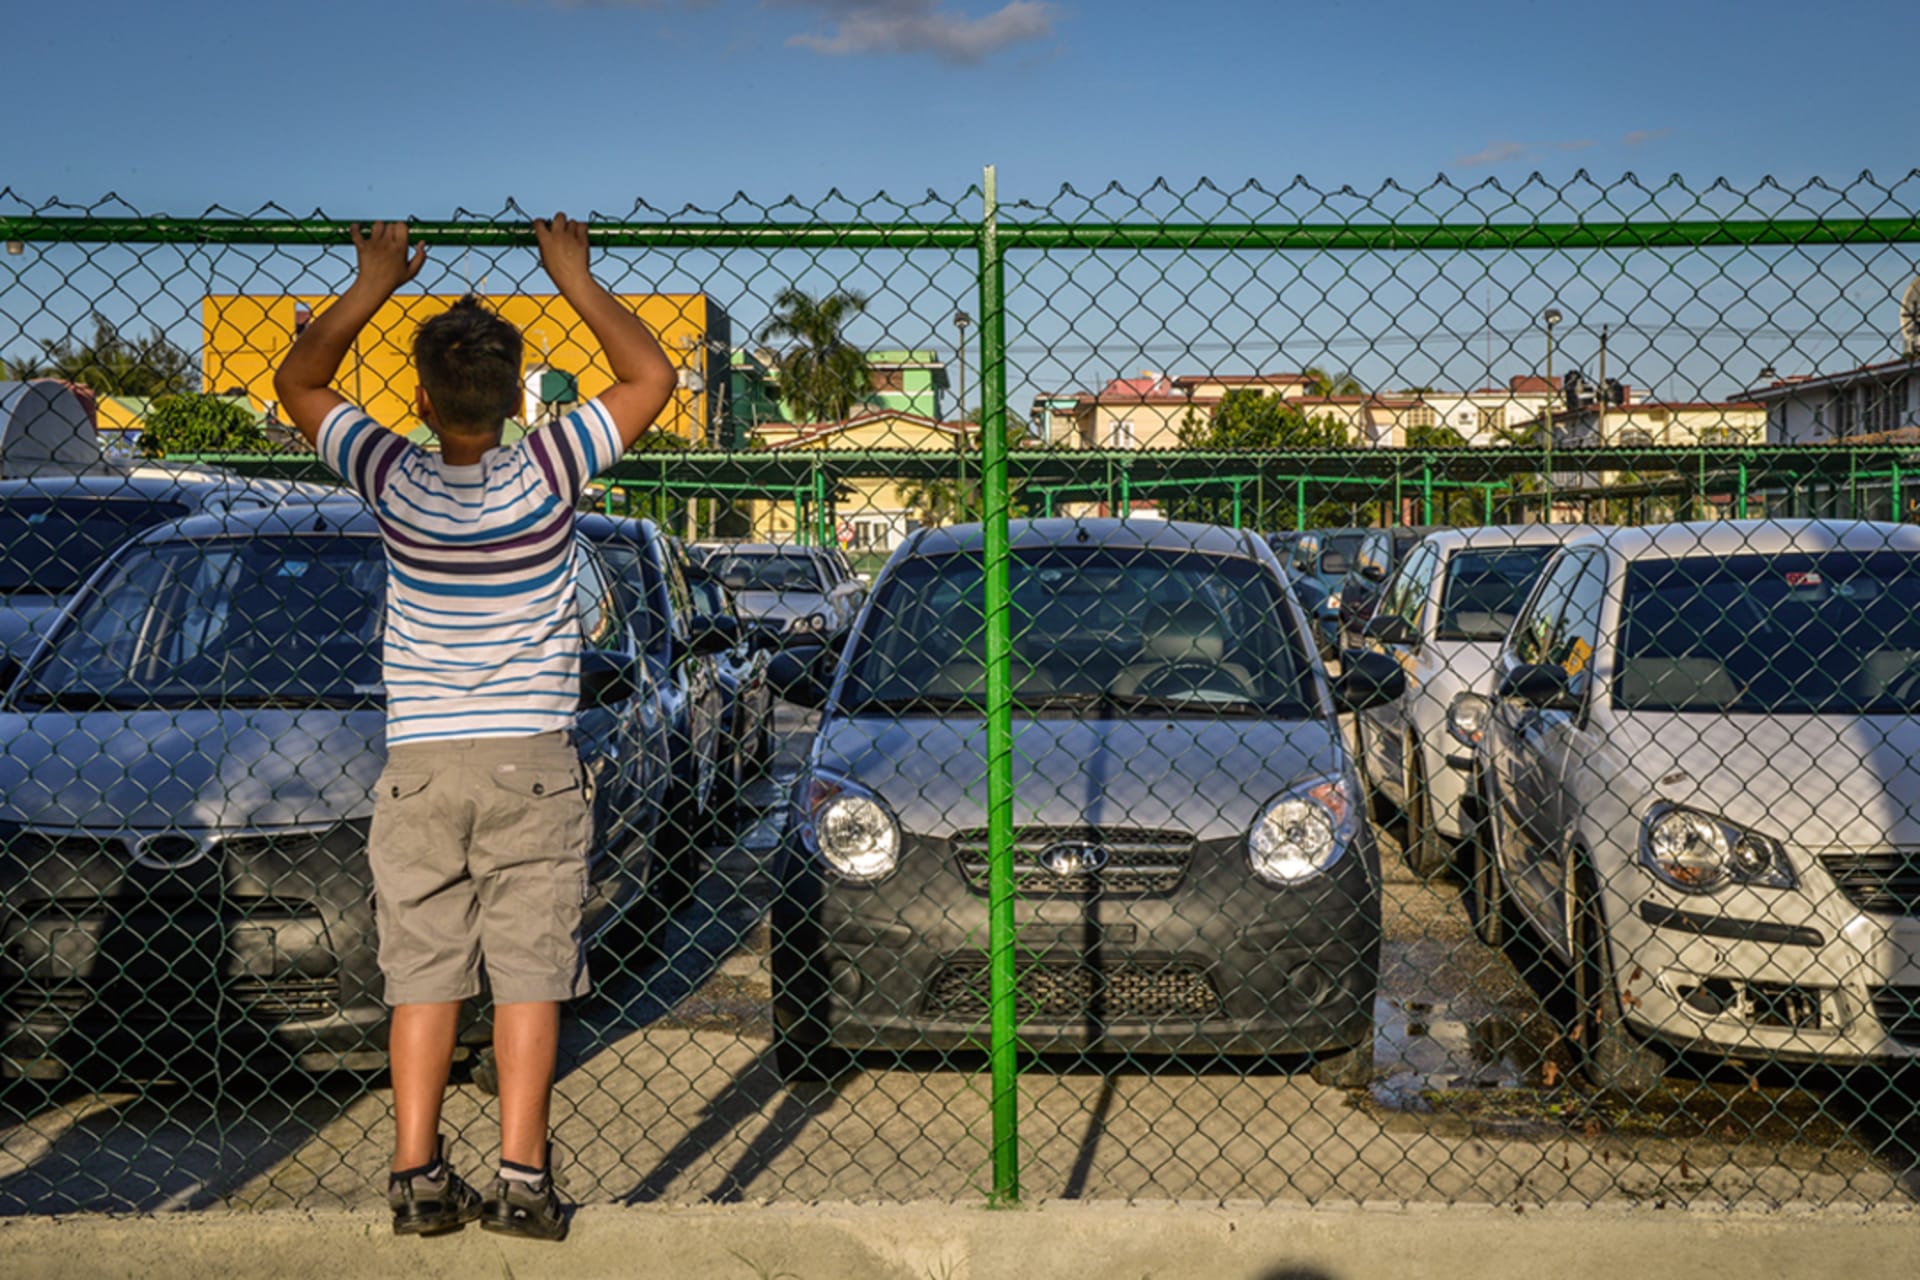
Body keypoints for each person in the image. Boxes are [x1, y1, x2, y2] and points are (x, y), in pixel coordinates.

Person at [273, 216, 676, 1240]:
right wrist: (572, 276)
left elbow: (301, 384)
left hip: (418, 765)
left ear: (418, 399)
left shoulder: (393, 478)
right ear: (517, 397)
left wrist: (368, 284)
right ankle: (522, 1174)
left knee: (423, 970)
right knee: (530, 968)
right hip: (529, 760)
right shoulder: (549, 471)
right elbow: (650, 375)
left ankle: (416, 1170)